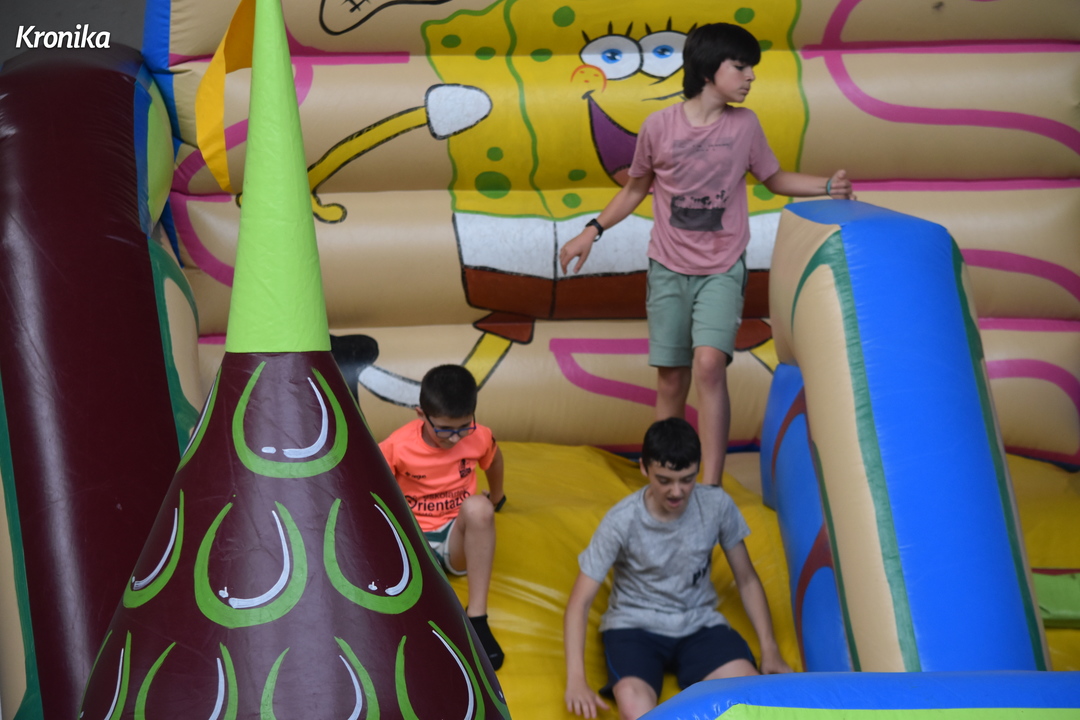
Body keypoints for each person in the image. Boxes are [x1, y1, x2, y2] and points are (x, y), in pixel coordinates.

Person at [559, 23, 855, 487]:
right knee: (671, 379)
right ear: (706, 71)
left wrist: (827, 187)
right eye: (740, 67)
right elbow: (635, 189)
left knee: (710, 365)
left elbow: (774, 179)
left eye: (751, 68)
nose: (750, 77)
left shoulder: (745, 125)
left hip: (721, 268)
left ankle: (711, 486)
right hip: (668, 267)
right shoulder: (659, 126)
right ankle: (664, 481)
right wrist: (590, 231)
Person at [563, 418, 791, 720]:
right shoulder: (621, 521)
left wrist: (770, 648)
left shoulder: (716, 505)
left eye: (687, 479)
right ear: (644, 468)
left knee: (746, 700)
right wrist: (576, 680)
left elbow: (746, 579)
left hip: (698, 623)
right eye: (664, 480)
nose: (676, 491)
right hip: (634, 627)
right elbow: (579, 602)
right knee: (634, 707)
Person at [379, 364, 506, 669]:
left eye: (463, 427)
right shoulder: (397, 446)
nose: (454, 438)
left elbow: (494, 459)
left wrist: (497, 496)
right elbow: (374, 489)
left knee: (480, 508)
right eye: (445, 429)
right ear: (421, 414)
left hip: (456, 537)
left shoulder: (479, 436)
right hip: (415, 538)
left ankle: (477, 618)